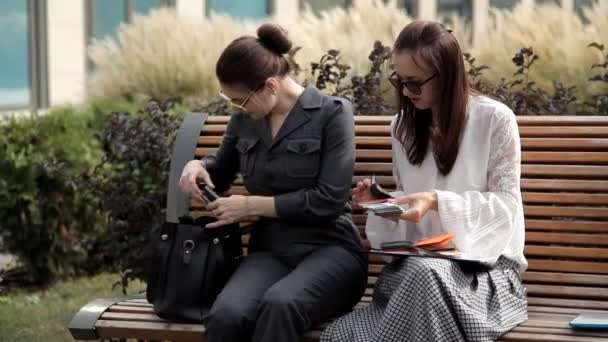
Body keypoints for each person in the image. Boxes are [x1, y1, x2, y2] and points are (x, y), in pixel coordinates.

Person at [321, 20, 528, 342]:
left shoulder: (495, 120)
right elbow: (412, 212)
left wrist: (435, 201)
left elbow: (506, 209)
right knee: (417, 279)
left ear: (445, 75)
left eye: (415, 83)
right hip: (419, 268)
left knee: (420, 281)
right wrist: (384, 203)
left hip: (484, 275)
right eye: (400, 81)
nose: (405, 92)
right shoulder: (402, 126)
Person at [178, 23, 368, 342]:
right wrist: (198, 165)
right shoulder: (246, 120)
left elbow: (329, 199)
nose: (236, 108)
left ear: (270, 86)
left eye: (240, 100)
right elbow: (222, 171)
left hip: (331, 249)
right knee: (227, 313)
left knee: (281, 304)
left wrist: (251, 205)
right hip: (271, 250)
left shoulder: (332, 114)